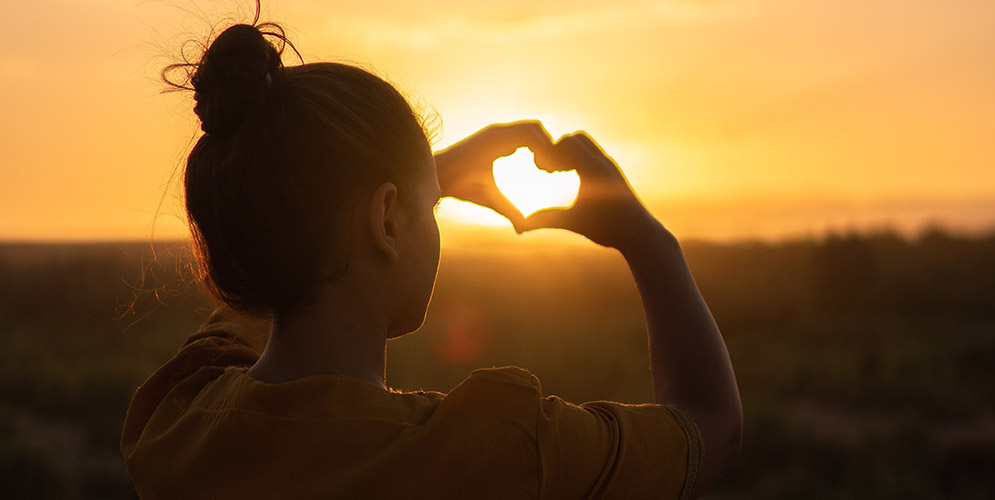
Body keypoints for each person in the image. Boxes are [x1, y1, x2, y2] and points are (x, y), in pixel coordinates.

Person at [121, 13, 742, 500]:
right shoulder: (495, 451)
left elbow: (280, 261)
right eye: (433, 207)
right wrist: (648, 241)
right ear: (386, 220)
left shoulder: (177, 422)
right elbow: (707, 425)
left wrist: (414, 182)